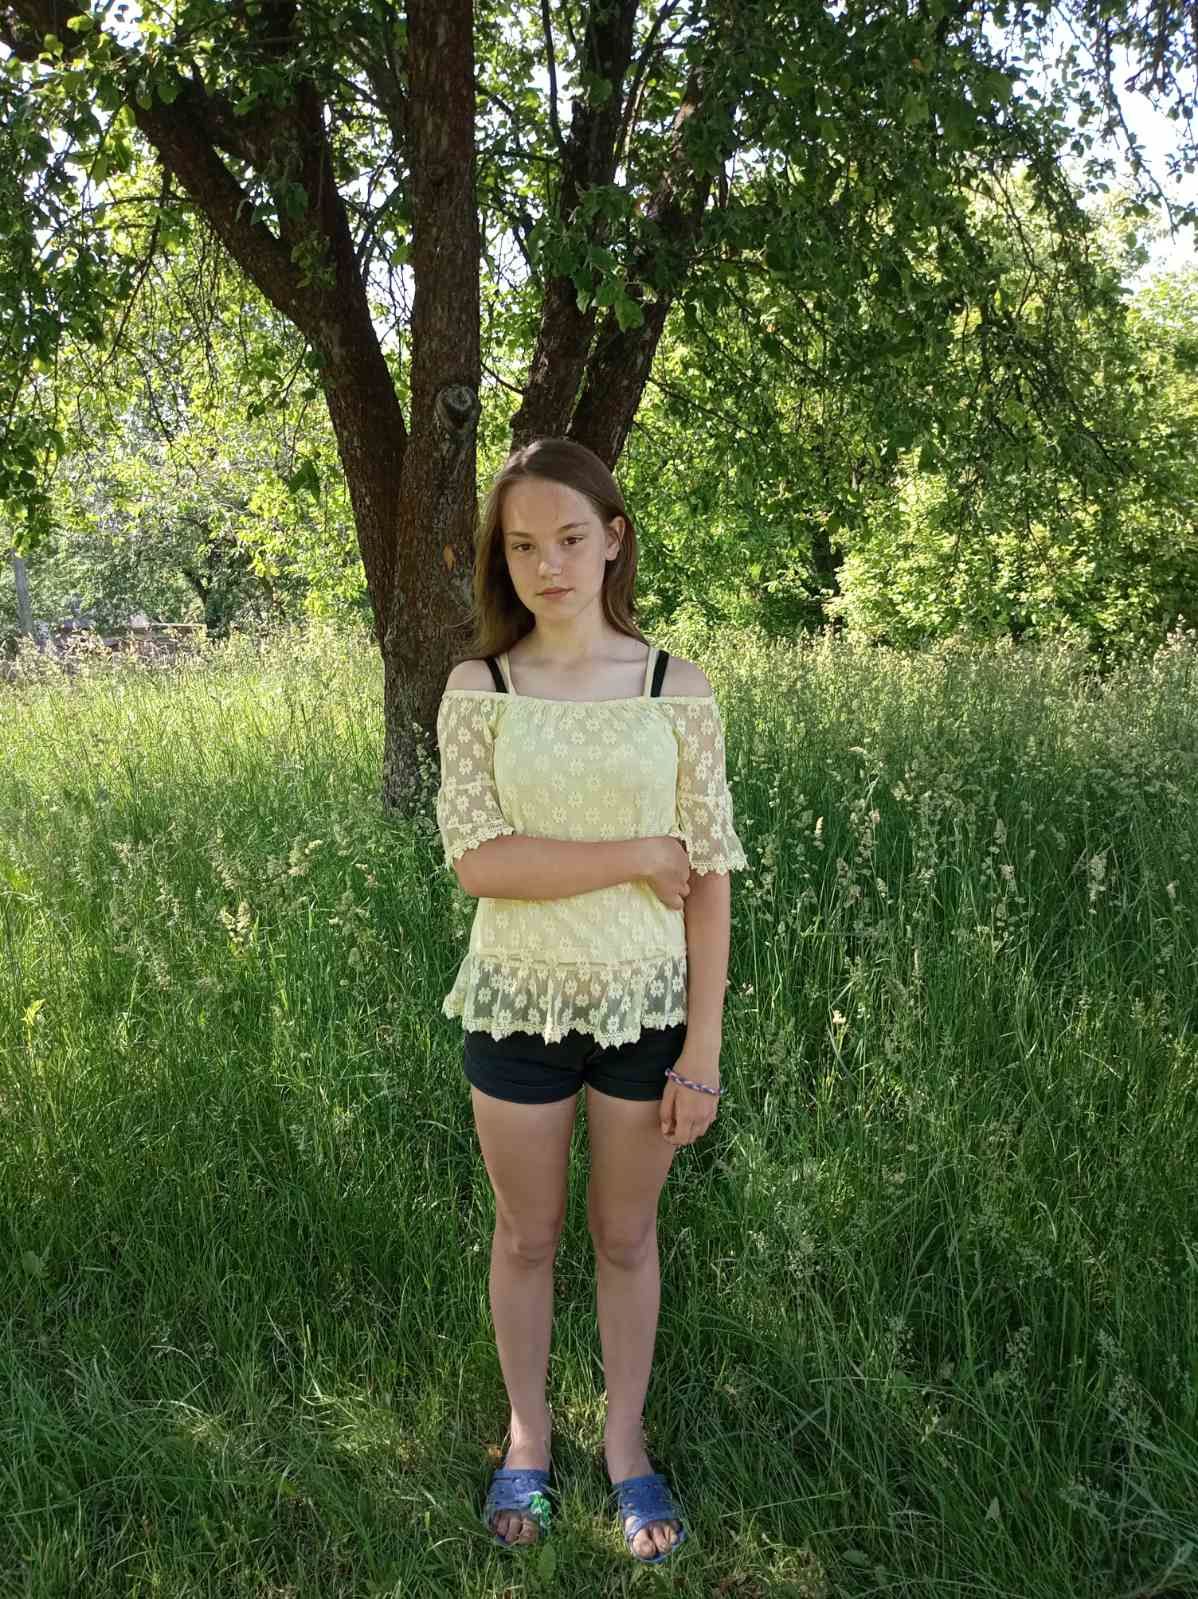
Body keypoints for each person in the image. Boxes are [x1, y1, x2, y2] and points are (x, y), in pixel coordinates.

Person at [434, 437, 747, 1565]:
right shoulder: (481, 688)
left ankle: (624, 1442)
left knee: (625, 1235)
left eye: (570, 538)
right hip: (514, 1006)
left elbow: (709, 880)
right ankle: (527, 1433)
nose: (548, 566)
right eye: (523, 546)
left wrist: (701, 1051)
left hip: (647, 1016)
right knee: (526, 1235)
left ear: (613, 538)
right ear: (502, 557)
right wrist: (637, 853)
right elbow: (481, 862)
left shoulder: (676, 688)